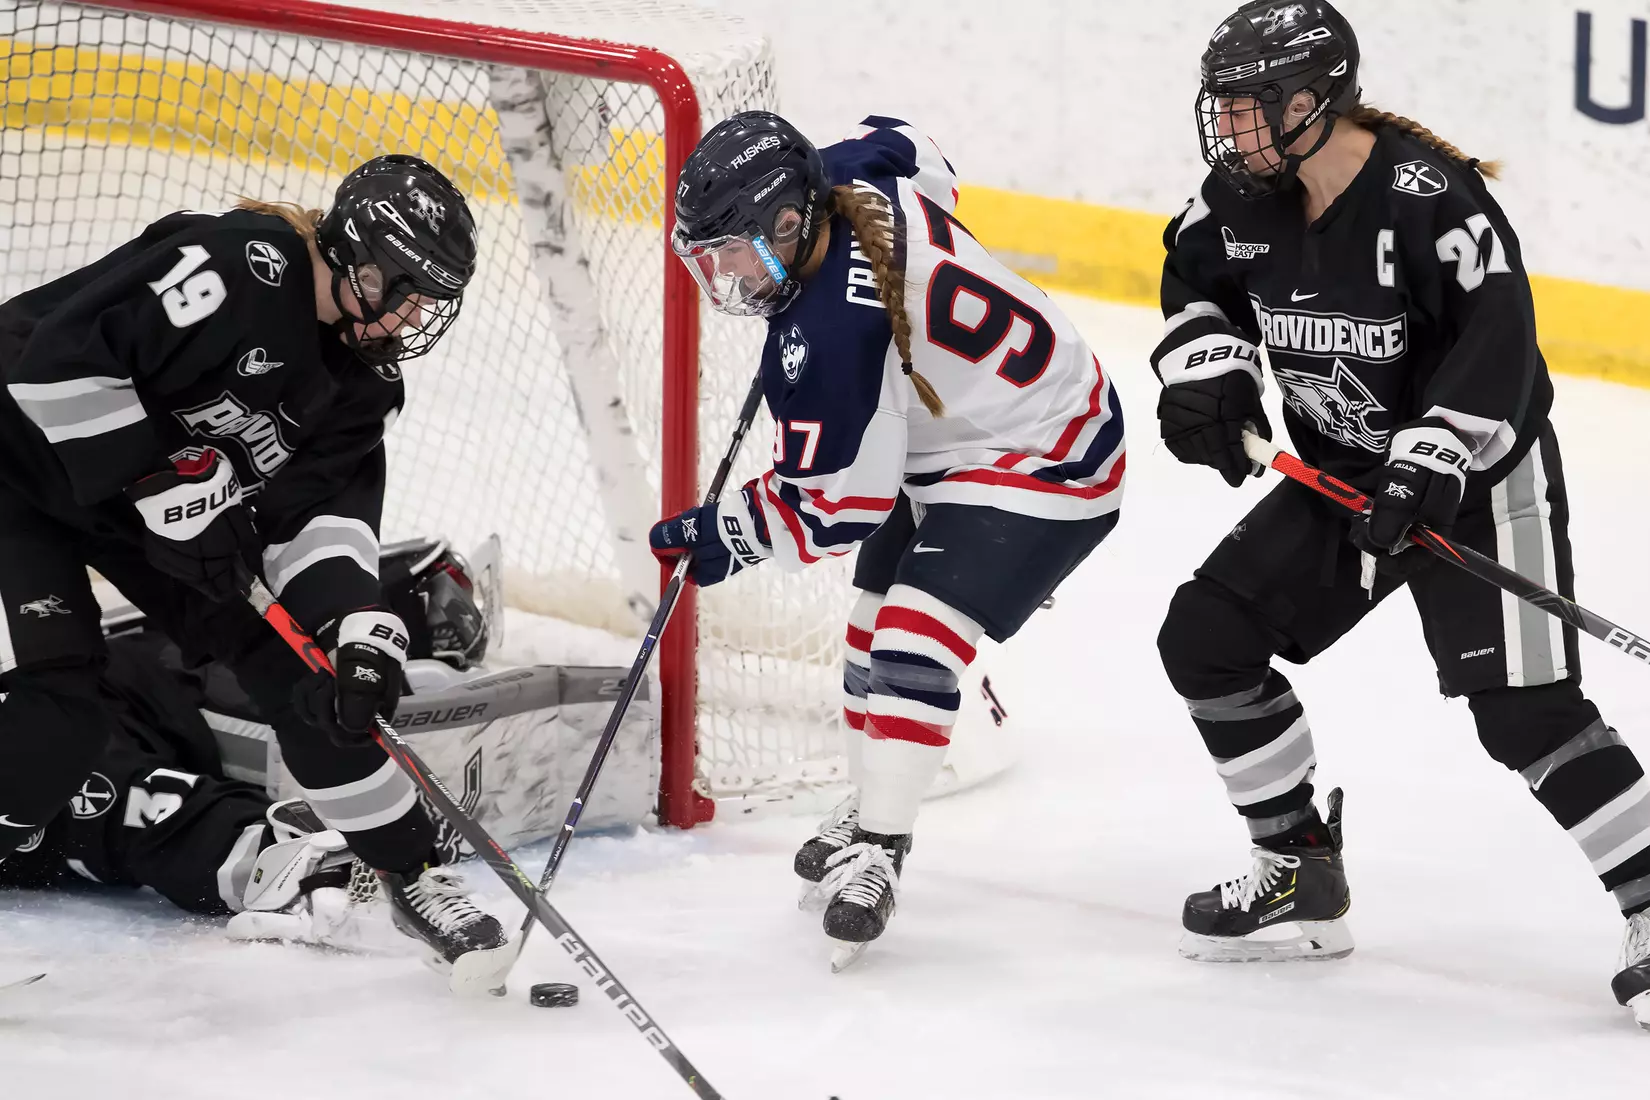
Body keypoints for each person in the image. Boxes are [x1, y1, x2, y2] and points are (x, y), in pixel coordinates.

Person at [1150, 0, 1650, 1027]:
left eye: (1248, 108)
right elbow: (1194, 280)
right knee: (1207, 636)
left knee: (1525, 713)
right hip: (1342, 474)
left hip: (1475, 476)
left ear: (1311, 102)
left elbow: (1501, 338)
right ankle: (1298, 864)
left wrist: (1432, 454)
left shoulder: (1429, 201)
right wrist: (1205, 366)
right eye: (1226, 109)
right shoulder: (1240, 200)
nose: (1231, 130)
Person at [0, 154, 508, 979]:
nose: (411, 315)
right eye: (402, 287)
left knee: (306, 682)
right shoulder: (243, 266)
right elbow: (56, 361)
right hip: (24, 462)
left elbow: (321, 519)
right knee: (63, 708)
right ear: (353, 256)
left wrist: (357, 631)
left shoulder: (362, 383)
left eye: (428, 300)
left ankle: (413, 875)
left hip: (157, 514)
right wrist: (151, 484)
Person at [651, 112, 1125, 962]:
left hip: (1052, 448)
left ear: (789, 223)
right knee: (870, 620)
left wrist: (723, 533)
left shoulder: (833, 338)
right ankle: (873, 796)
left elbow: (837, 510)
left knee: (913, 637)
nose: (719, 271)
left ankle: (882, 844)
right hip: (957, 433)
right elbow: (914, 143)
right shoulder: (837, 176)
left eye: (732, 249)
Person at [0, 539, 495, 951]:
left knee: (306, 673)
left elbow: (146, 814)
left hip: (139, 694)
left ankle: (404, 620)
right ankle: (413, 621)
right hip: (147, 697)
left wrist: (285, 864)